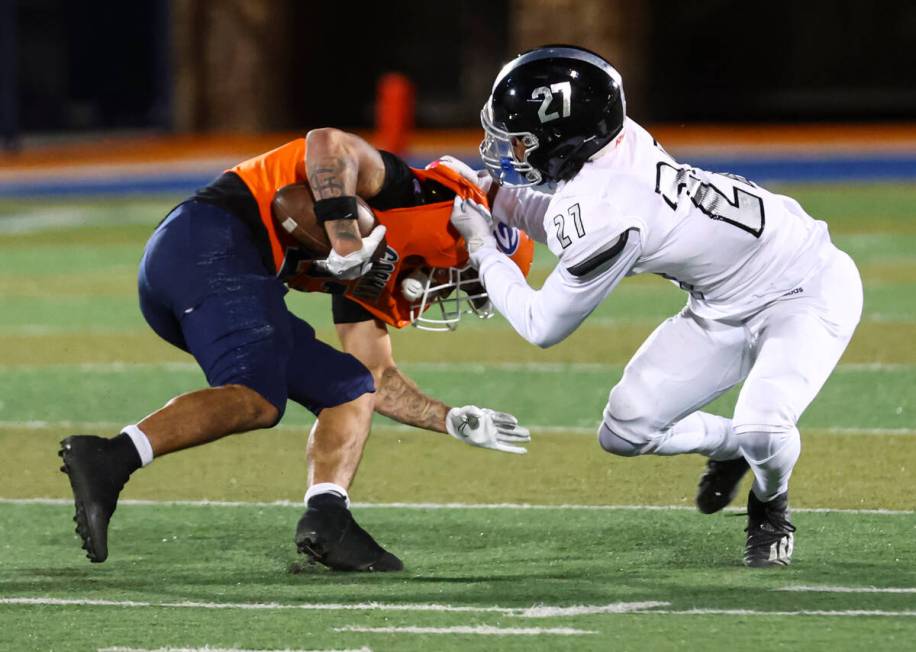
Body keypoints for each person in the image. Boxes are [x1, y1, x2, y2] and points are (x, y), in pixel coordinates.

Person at [443, 45, 863, 567]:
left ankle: (770, 503)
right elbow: (564, 218)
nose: (510, 151)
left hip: (807, 285)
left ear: (563, 138)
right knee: (625, 431)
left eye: (522, 140)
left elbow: (541, 324)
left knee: (766, 428)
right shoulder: (612, 146)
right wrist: (490, 194)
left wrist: (483, 246)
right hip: (720, 301)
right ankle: (730, 446)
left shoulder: (611, 208)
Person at [58, 129, 532, 571]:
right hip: (208, 241)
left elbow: (376, 374)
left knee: (347, 387)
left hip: (220, 271)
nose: (446, 291)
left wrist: (449, 419)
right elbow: (326, 144)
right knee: (259, 397)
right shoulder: (406, 191)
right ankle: (112, 457)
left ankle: (328, 518)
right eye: (467, 279)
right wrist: (346, 235)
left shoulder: (384, 256)